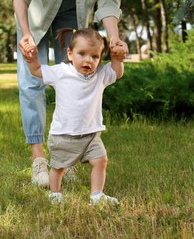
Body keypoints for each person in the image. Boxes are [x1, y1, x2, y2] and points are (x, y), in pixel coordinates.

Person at [10, 0, 128, 187]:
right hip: (34, 7)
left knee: (75, 78)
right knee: (31, 81)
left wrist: (114, 38)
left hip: (75, 6)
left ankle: (69, 155)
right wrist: (25, 31)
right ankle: (38, 158)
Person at [24, 27, 125, 204]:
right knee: (58, 167)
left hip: (91, 134)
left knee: (100, 160)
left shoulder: (100, 74)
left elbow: (117, 72)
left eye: (95, 57)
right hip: (63, 134)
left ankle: (96, 195)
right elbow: (37, 71)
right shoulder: (61, 72)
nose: (88, 60)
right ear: (70, 54)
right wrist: (32, 59)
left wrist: (118, 59)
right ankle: (55, 193)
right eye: (82, 54)